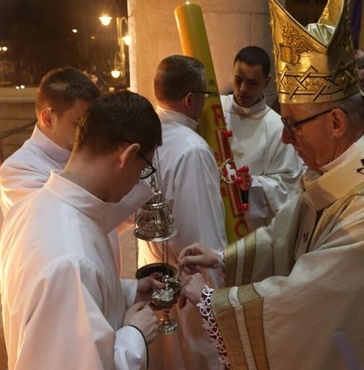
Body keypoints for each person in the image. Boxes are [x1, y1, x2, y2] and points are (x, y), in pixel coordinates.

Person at [177, 1, 364, 369]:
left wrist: (213, 303)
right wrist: (223, 257)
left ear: (337, 122)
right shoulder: (344, 161)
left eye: (293, 125)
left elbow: (314, 297)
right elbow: (289, 230)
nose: (286, 140)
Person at [0, 90, 164, 370]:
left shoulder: (29, 207)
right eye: (144, 168)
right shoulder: (71, 259)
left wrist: (128, 292)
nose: (138, 179)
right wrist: (135, 335)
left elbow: (75, 307)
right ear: (128, 154)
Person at [0, 67, 151, 271]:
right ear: (48, 118)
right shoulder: (16, 172)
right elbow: (79, 222)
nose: (92, 134)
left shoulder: (85, 153)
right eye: (79, 124)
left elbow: (114, 219)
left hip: (101, 278)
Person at [141, 55, 227, 370]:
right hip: (188, 289)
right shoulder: (192, 150)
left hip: (152, 276)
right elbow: (200, 235)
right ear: (190, 99)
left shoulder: (146, 135)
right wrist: (216, 299)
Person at [220, 46, 303, 230]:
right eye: (238, 80)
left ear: (266, 82)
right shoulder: (215, 110)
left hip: (248, 227)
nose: (243, 89)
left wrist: (253, 185)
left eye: (252, 83)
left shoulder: (277, 128)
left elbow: (289, 184)